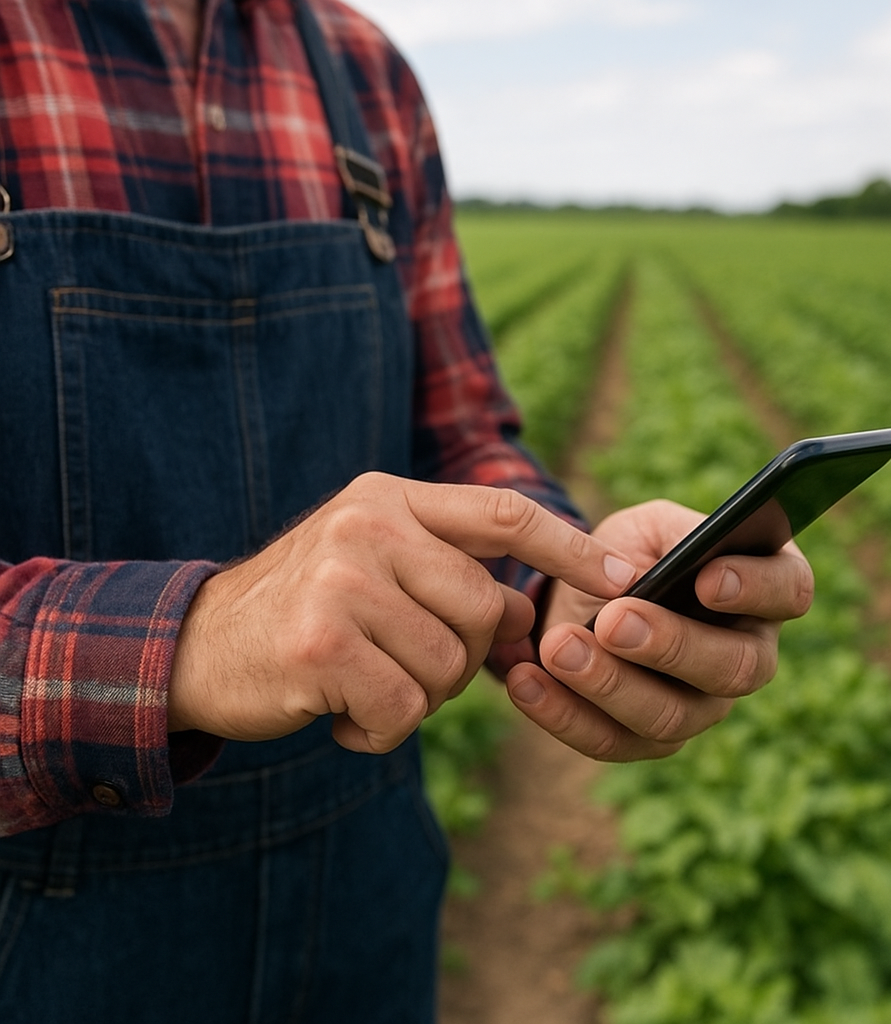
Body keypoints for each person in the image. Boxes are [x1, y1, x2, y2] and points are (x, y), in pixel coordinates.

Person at [0, 2, 813, 1021]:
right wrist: (200, 636)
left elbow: (462, 435)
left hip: (362, 889)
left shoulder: (362, 70)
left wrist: (567, 583)